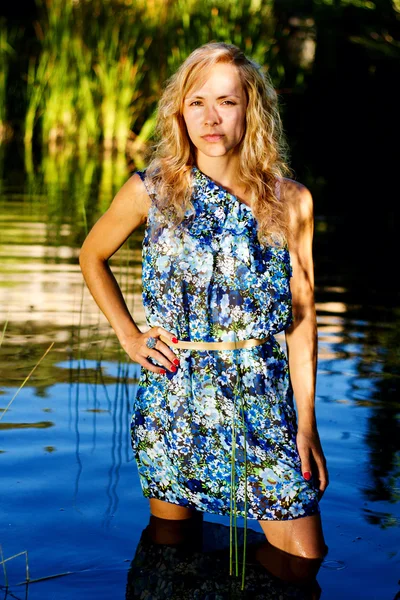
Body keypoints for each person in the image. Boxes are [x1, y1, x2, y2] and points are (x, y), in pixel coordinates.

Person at [79, 41, 329, 588]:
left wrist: (306, 422)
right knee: (171, 554)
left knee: (305, 558)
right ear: (180, 111)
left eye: (227, 101)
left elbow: (302, 316)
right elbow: (91, 254)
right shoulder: (152, 189)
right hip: (175, 395)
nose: (211, 118)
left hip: (262, 403)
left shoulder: (292, 201)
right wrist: (129, 334)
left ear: (251, 109)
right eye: (197, 102)